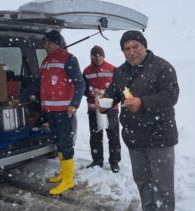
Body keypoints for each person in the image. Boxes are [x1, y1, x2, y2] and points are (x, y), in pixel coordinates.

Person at [100, 30, 179, 211]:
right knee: (143, 183)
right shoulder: (120, 72)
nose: (131, 51)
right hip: (134, 138)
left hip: (160, 138)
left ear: (144, 47)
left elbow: (171, 95)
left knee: (163, 188)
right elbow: (113, 94)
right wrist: (104, 102)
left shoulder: (161, 67)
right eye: (126, 48)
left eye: (135, 46)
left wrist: (142, 102)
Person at [40, 30, 85, 195]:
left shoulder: (69, 59)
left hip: (64, 110)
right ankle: (64, 174)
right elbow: (40, 83)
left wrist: (74, 104)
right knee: (58, 141)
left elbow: (80, 84)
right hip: (50, 110)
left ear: (54, 43)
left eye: (46, 43)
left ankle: (69, 180)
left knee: (65, 143)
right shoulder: (45, 60)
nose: (44, 46)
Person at [83, 45, 121, 173]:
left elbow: (118, 89)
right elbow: (82, 89)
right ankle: (97, 160)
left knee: (113, 137)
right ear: (91, 56)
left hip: (111, 109)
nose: (98, 57)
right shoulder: (86, 71)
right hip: (93, 110)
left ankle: (114, 162)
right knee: (95, 137)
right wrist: (90, 92)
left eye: (100, 55)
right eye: (95, 55)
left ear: (104, 56)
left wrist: (106, 93)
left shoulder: (113, 69)